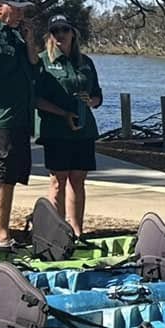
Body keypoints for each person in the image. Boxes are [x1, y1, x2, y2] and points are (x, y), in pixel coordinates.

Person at [0, 0, 75, 258]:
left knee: (10, 177)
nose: (22, 14)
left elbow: (35, 68)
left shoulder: (15, 36)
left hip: (19, 119)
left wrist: (29, 41)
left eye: (24, 9)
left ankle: (2, 234)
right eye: (17, 9)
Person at [37, 14, 103, 234]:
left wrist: (90, 101)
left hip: (84, 131)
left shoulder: (86, 62)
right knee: (58, 181)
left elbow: (98, 97)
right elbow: (35, 99)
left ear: (73, 32)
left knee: (78, 180)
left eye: (65, 30)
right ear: (50, 35)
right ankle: (56, 232)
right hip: (56, 131)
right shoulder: (43, 61)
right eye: (55, 31)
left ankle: (77, 231)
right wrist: (63, 113)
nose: (60, 35)